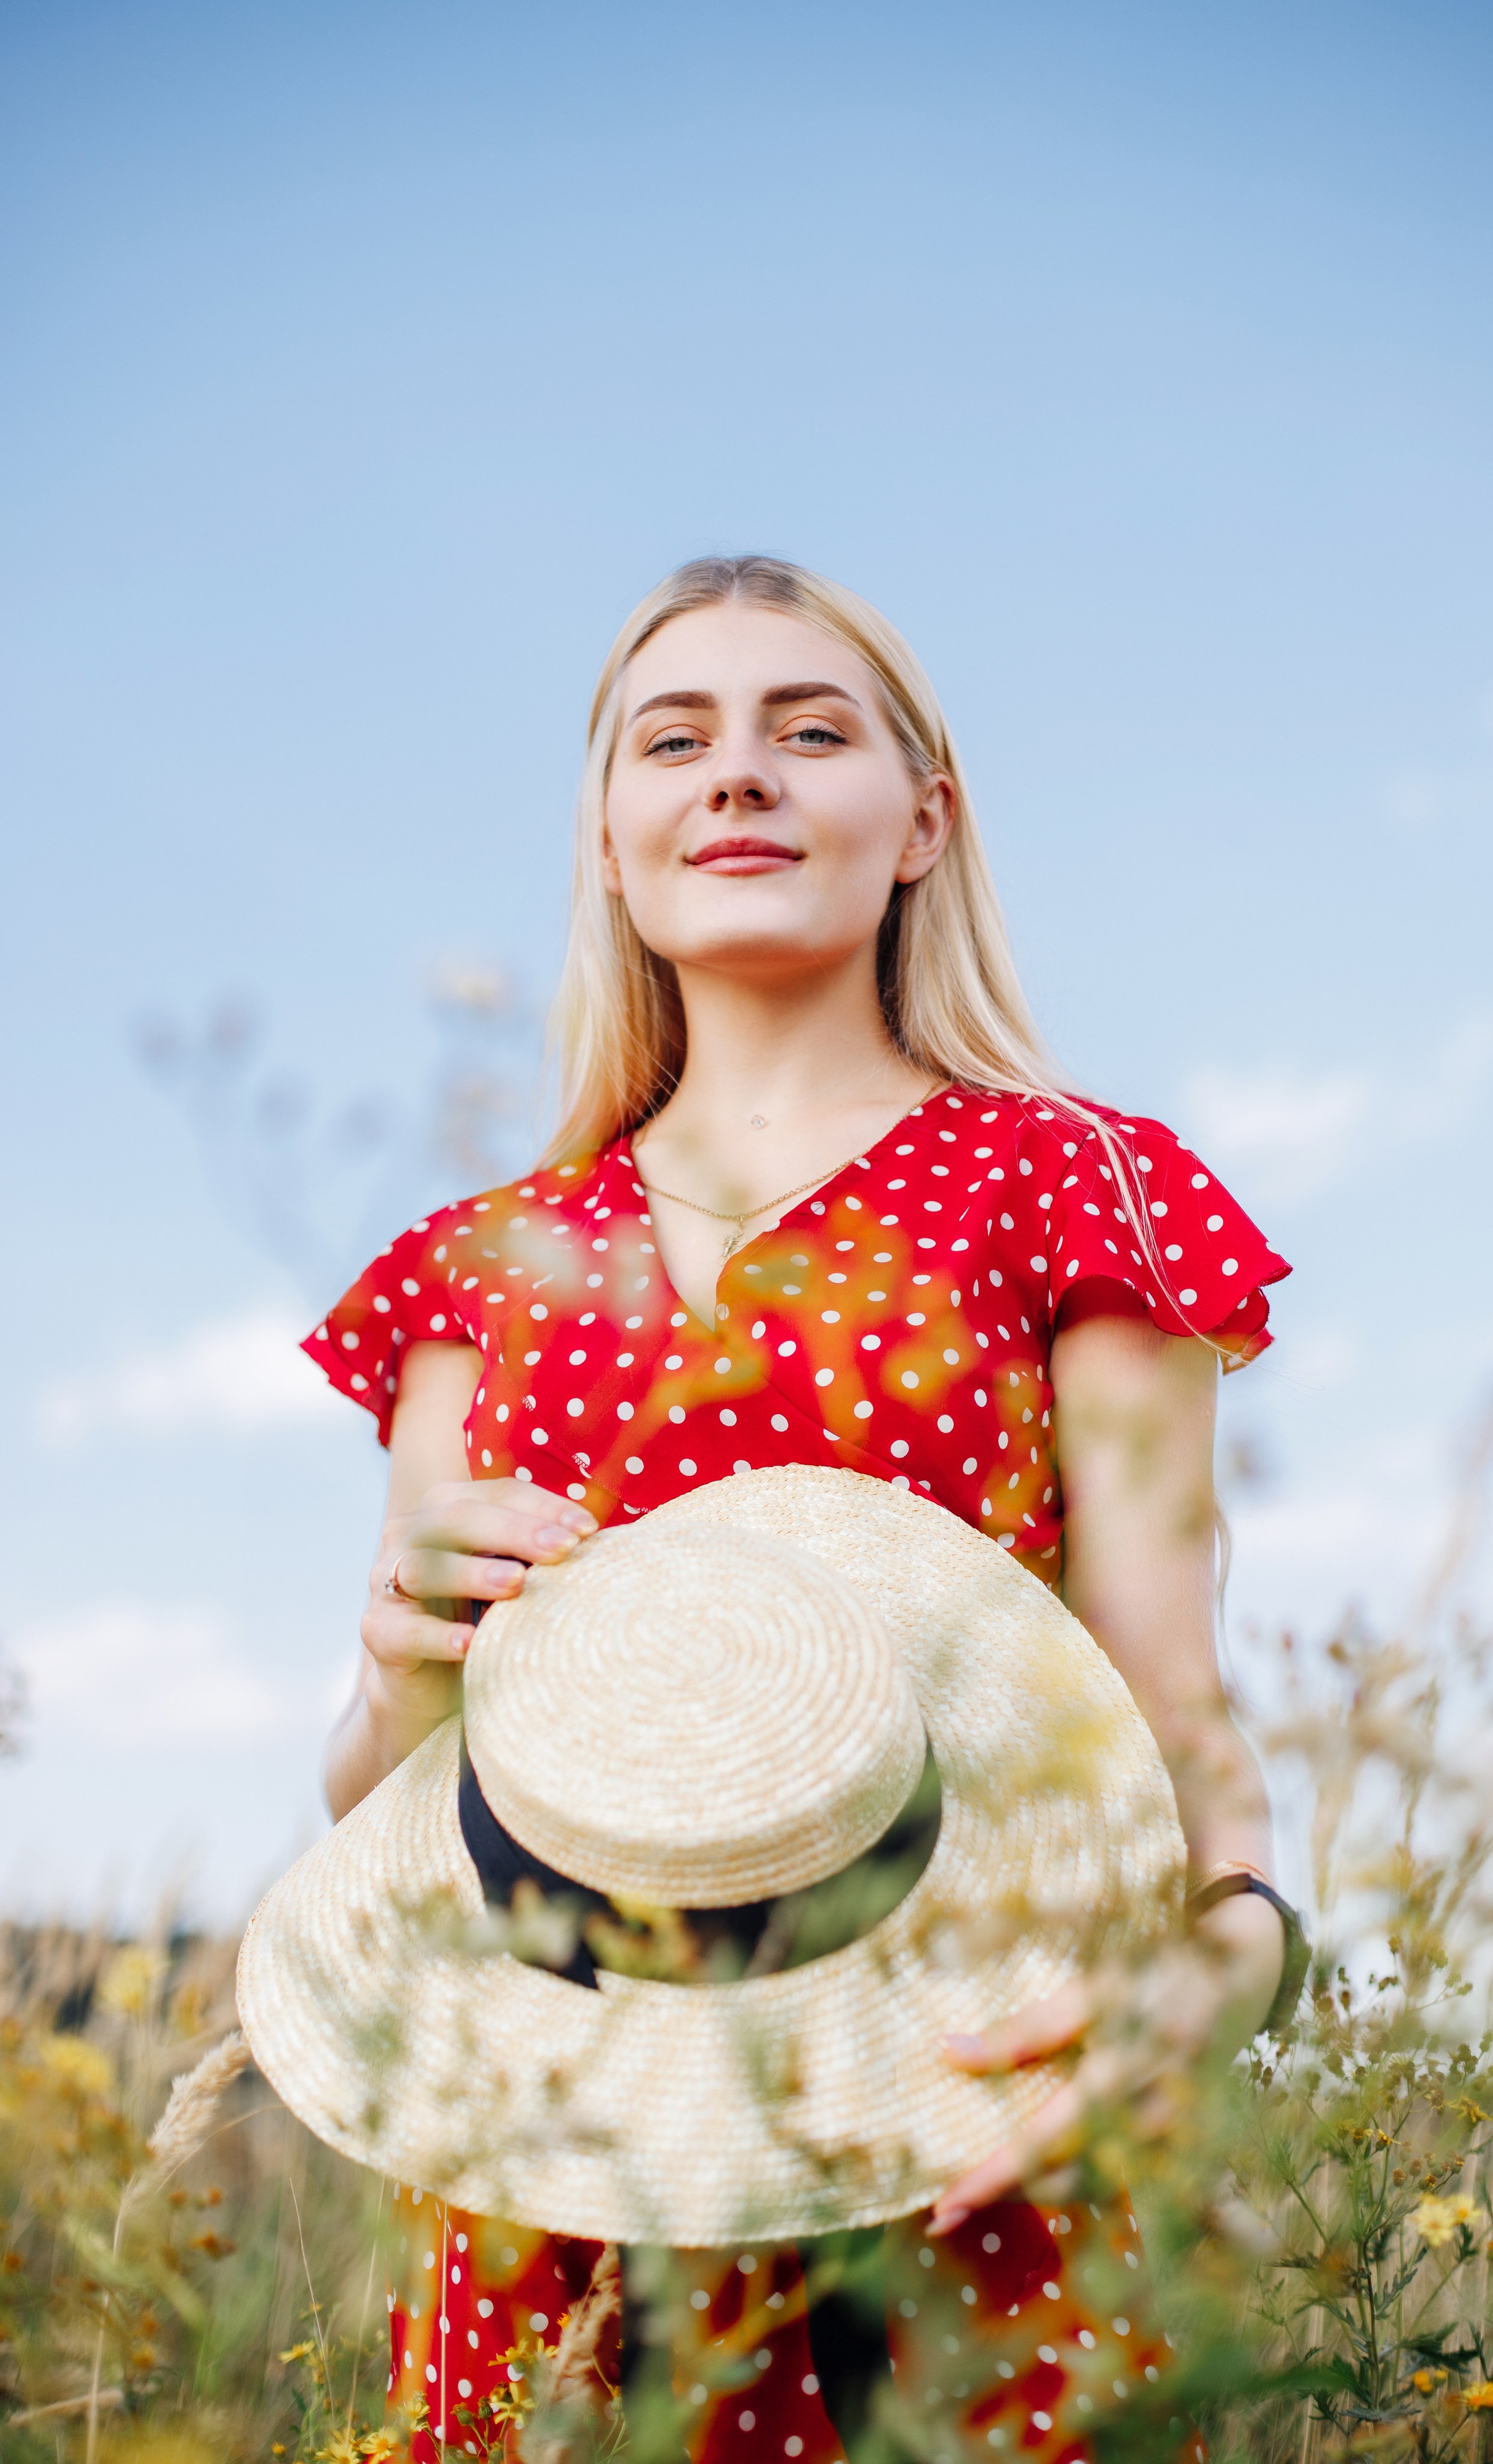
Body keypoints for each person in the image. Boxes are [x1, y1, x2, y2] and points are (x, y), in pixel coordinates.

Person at [304, 555, 1295, 2463]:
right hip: (567, 2152)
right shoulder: (477, 1265)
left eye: (808, 730)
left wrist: (1196, 1995)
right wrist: (399, 1679)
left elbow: (1179, 1744)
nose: (737, 775)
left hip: (963, 2115)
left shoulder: (1077, 1186)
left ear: (923, 821)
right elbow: (400, 1823)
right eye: (675, 740)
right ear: (609, 836)